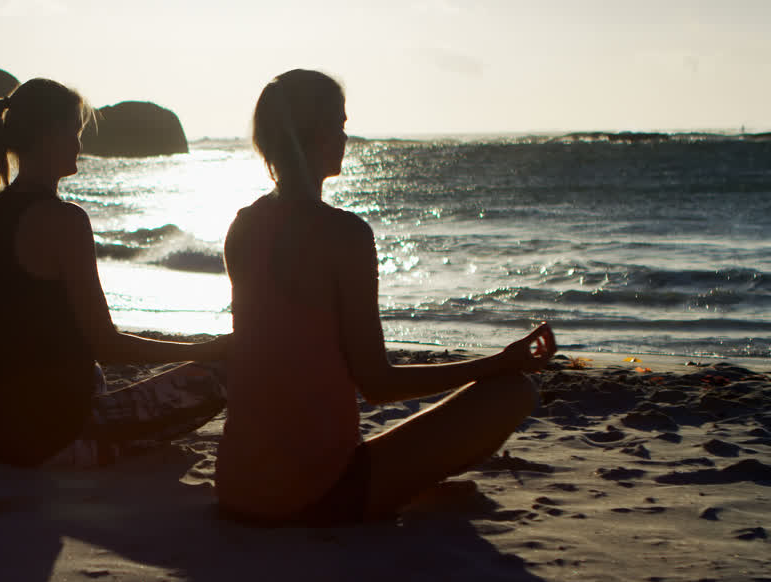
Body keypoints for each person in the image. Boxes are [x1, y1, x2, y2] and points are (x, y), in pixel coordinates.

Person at [217, 70, 557, 525]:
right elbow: (378, 384)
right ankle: (399, 488)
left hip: (238, 486)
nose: (345, 137)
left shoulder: (243, 224)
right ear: (314, 134)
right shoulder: (343, 234)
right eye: (338, 125)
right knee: (512, 393)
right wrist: (498, 362)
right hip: (311, 495)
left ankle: (403, 483)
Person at [0, 78, 228, 468]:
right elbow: (108, 346)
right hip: (49, 439)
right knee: (216, 377)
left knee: (92, 376)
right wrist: (203, 350)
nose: (79, 144)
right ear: (46, 135)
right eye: (73, 132)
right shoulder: (65, 219)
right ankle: (97, 447)